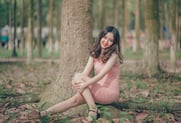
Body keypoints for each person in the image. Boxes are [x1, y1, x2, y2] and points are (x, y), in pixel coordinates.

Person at [28, 26, 123, 122]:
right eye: (105, 38)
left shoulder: (113, 56)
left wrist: (84, 84)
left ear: (114, 43)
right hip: (97, 89)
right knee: (73, 101)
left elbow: (100, 76)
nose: (106, 41)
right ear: (101, 37)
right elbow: (85, 73)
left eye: (110, 40)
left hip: (108, 92)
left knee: (78, 76)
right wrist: (77, 81)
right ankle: (43, 113)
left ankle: (93, 110)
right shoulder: (95, 53)